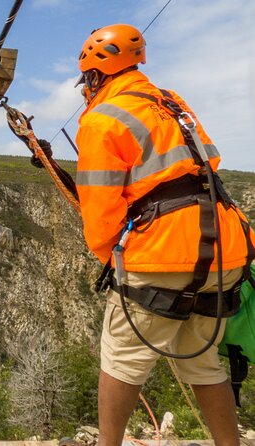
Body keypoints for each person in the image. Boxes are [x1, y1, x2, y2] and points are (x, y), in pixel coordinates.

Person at [70, 24, 255, 446]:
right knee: (204, 362)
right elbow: (204, 165)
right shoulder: (171, 102)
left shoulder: (101, 121)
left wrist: (114, 261)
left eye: (86, 81)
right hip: (225, 249)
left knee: (121, 361)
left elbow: (100, 216)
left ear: (95, 74)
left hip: (161, 254)